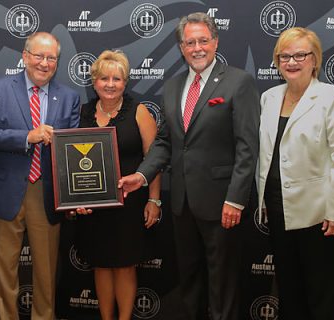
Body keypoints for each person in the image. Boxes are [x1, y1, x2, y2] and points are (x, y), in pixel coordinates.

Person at [118, 12, 260, 320]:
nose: (197, 48)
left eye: (203, 41)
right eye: (190, 42)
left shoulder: (239, 82)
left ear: (215, 42)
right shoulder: (173, 86)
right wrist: (142, 176)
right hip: (182, 205)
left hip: (222, 203)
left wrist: (235, 199)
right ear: (181, 47)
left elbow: (247, 148)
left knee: (222, 285)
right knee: (191, 281)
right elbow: (165, 143)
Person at [0, 32, 80, 320]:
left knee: (46, 272)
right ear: (24, 56)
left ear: (58, 62)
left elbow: (73, 151)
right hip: (7, 192)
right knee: (3, 269)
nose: (44, 63)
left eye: (51, 58)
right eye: (39, 56)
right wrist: (27, 137)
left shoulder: (69, 97)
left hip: (46, 193)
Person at [257, 27, 334, 320]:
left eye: (300, 54)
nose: (292, 61)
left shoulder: (332, 97)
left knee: (323, 295)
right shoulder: (269, 98)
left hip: (321, 215)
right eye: (284, 56)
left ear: (315, 60)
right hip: (279, 210)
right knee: (290, 291)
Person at [75, 50, 161, 320]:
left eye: (117, 78)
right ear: (94, 81)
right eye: (104, 78)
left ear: (125, 82)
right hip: (95, 204)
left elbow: (154, 159)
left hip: (129, 204)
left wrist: (154, 200)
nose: (110, 84)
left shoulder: (139, 112)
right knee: (100, 265)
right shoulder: (83, 112)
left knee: (124, 266)